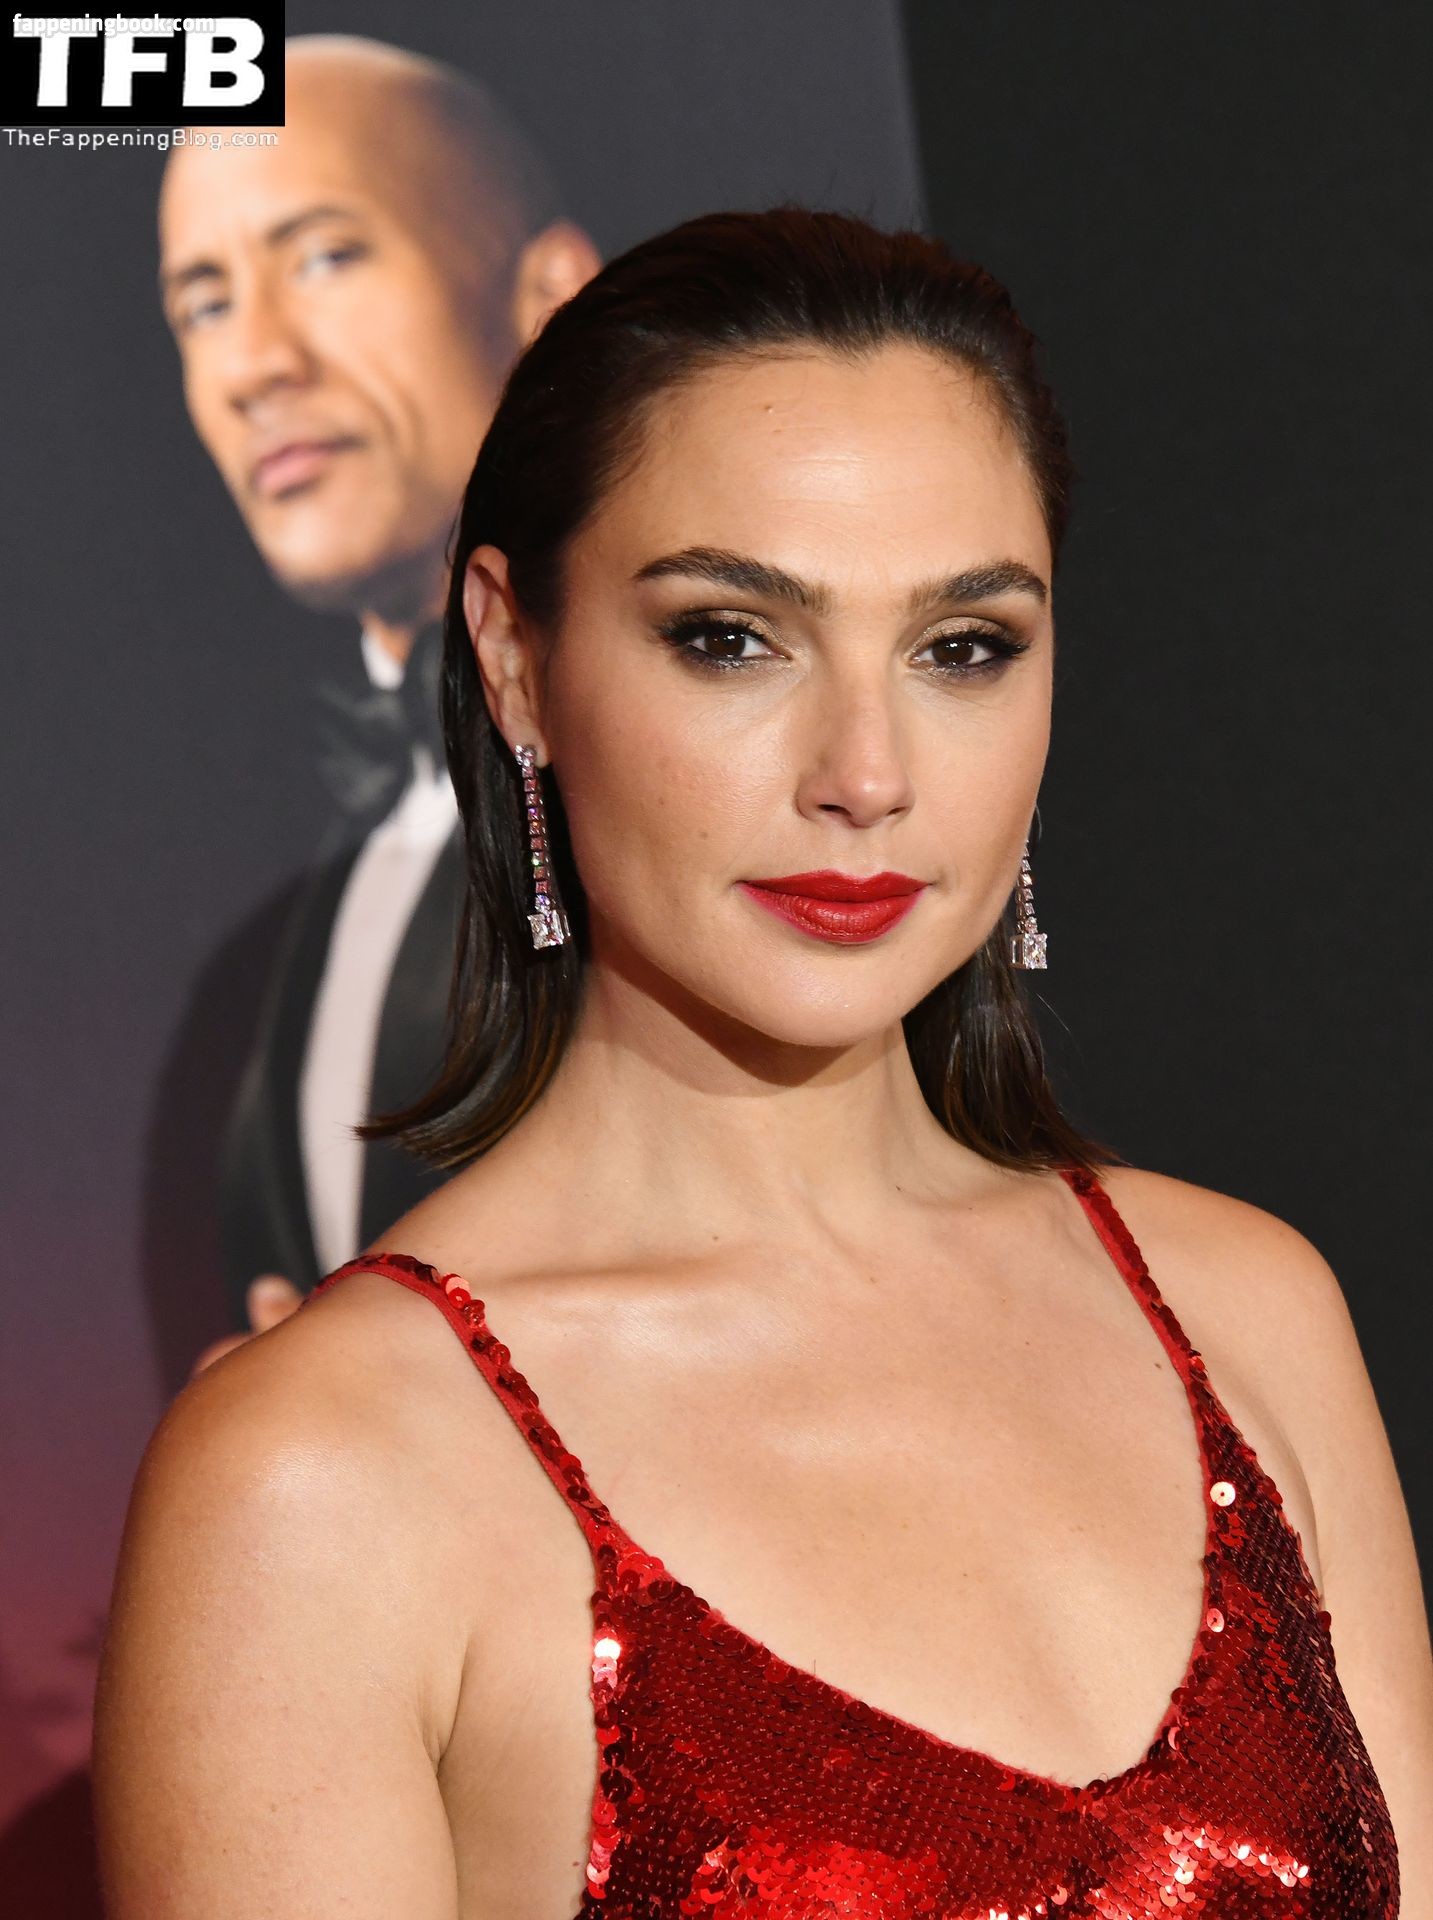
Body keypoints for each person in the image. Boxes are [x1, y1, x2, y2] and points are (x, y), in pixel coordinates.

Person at [94, 209, 1430, 1914]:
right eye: (731, 635)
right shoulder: (324, 1480)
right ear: (512, 655)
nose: (864, 772)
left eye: (961, 647)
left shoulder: (1249, 1314)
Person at [155, 34, 600, 1361]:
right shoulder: (342, 890)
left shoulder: (688, 787)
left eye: (324, 257)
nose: (254, 363)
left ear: (549, 300)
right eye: (203, 305)